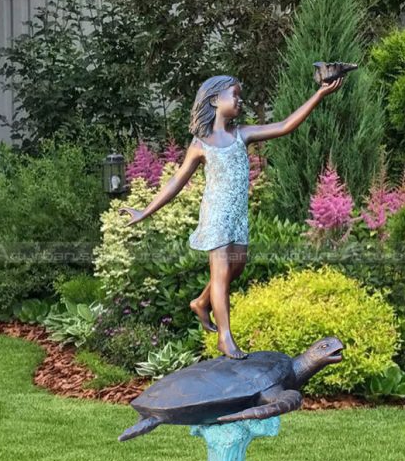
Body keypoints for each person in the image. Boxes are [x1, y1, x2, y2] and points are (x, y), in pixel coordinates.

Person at [120, 73, 345, 359]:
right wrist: (145, 211)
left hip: (238, 217)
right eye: (235, 95)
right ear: (215, 100)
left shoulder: (243, 134)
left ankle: (201, 302)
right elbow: (176, 182)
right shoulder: (200, 144)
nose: (240, 100)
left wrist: (319, 95)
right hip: (216, 216)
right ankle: (225, 339)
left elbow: (285, 125)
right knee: (222, 273)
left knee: (236, 267)